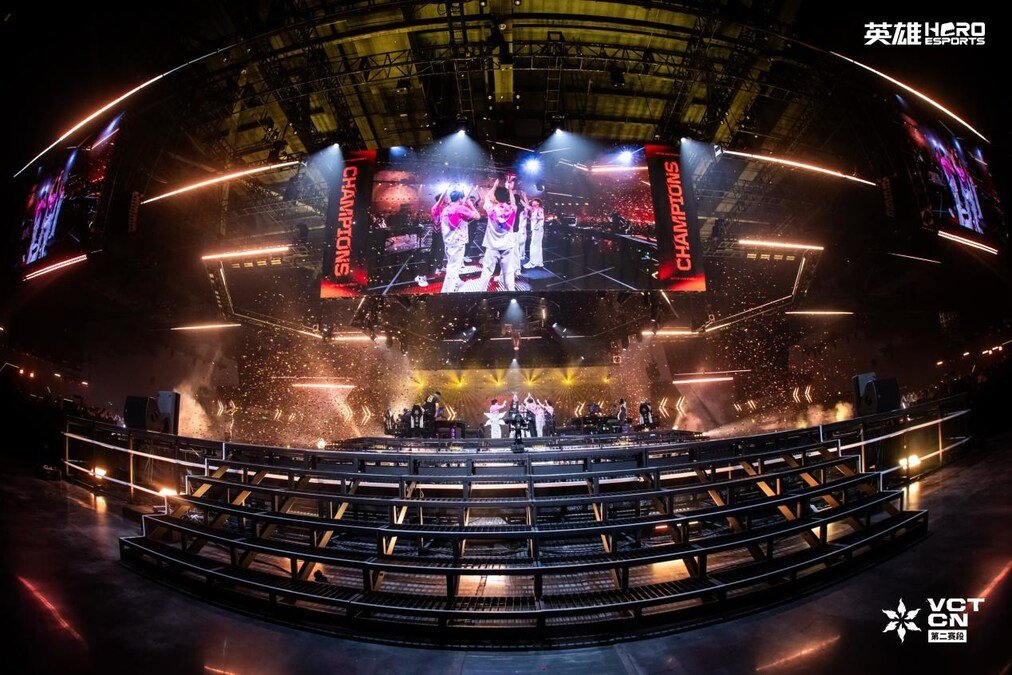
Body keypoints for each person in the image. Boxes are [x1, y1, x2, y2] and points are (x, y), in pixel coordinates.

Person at [432, 185, 480, 293]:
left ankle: (457, 282)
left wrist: (467, 193)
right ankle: (447, 291)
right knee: (453, 268)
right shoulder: (460, 208)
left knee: (452, 265)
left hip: (448, 242)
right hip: (458, 243)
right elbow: (477, 216)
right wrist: (470, 204)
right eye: (463, 198)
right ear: (460, 199)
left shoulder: (446, 209)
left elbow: (458, 208)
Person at [477, 177, 518, 291]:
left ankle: (480, 293)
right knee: (508, 273)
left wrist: (494, 186)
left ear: (495, 197)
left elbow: (487, 197)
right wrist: (510, 189)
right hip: (507, 246)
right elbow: (513, 202)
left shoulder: (491, 208)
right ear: (507, 197)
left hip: (492, 246)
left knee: (486, 272)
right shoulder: (512, 209)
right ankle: (510, 295)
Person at [520, 194, 545, 270]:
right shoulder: (537, 209)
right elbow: (527, 206)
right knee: (538, 246)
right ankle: (539, 262)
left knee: (533, 246)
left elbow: (541, 217)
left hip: (537, 230)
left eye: (534, 201)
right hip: (538, 230)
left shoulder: (538, 209)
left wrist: (519, 199)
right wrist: (524, 197)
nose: (532, 202)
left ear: (538, 203)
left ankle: (533, 263)